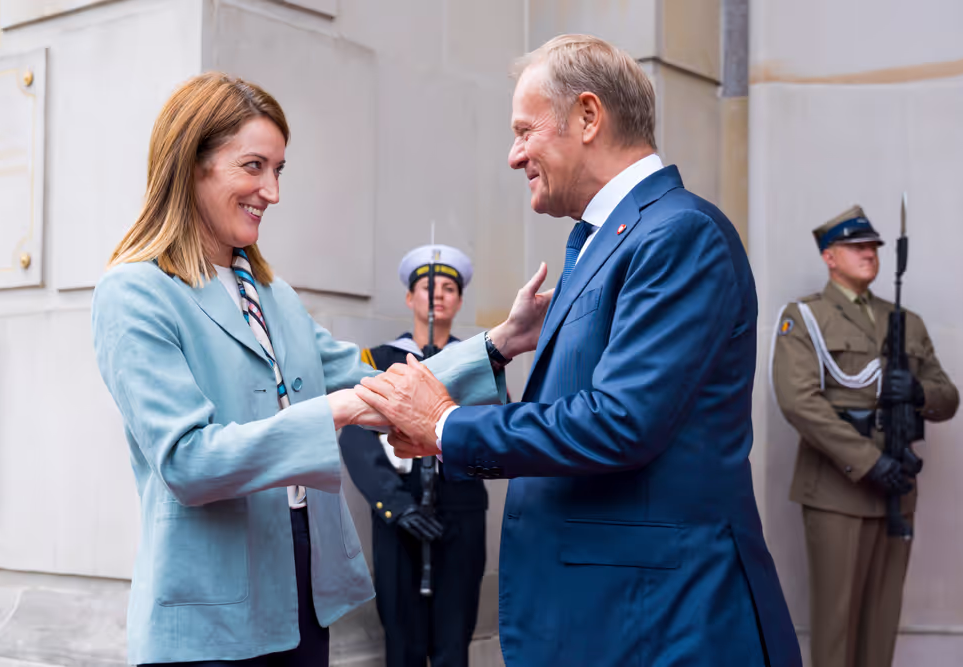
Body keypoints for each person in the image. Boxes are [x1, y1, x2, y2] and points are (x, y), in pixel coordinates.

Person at [354, 34, 801, 667]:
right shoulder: (609, 238)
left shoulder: (678, 233)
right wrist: (501, 347)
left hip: (660, 623)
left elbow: (621, 421)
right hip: (607, 616)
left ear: (588, 116)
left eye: (524, 131)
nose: (514, 156)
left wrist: (448, 426)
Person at [90, 72, 511, 667]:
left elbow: (371, 377)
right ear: (193, 164)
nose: (273, 191)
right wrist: (337, 411)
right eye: (254, 166)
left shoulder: (273, 294)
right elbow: (188, 461)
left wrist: (498, 344)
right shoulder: (133, 292)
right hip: (208, 617)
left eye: (278, 169)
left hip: (302, 593)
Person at [771, 206, 958, 667]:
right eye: (857, 246)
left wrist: (917, 391)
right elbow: (800, 403)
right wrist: (869, 461)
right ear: (829, 257)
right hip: (838, 489)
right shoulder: (805, 319)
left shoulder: (905, 322)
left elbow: (948, 396)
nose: (869, 253)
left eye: (873, 245)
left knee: (881, 626)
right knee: (836, 630)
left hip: (897, 492)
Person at [339, 244, 487, 667]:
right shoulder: (379, 360)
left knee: (453, 640)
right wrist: (395, 505)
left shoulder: (476, 363)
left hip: (461, 510)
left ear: (458, 300)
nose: (437, 295)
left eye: (447, 288)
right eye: (427, 287)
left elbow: (495, 431)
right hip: (399, 512)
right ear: (410, 298)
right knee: (401, 642)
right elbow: (355, 436)